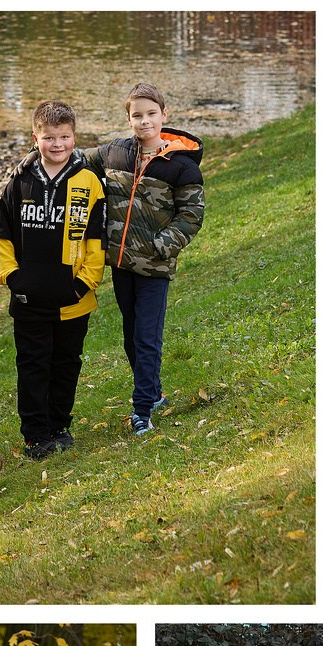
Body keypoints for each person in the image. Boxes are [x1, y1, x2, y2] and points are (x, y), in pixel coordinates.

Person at [0, 98, 108, 459]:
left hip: (74, 300)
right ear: (35, 137)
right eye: (49, 138)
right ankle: (35, 434)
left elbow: (96, 239)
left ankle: (60, 425)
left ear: (75, 137)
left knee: (66, 364)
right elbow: (2, 234)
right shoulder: (19, 181)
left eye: (64, 137)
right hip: (29, 302)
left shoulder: (89, 182)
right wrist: (12, 278)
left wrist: (83, 283)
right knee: (33, 366)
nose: (57, 145)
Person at [84, 83, 204, 434]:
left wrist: (161, 245)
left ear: (164, 116)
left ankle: (142, 412)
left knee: (146, 336)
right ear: (128, 118)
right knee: (130, 334)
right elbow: (76, 160)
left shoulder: (181, 167)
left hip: (153, 267)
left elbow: (191, 215)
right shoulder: (116, 153)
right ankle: (153, 392)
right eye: (137, 115)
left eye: (151, 114)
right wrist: (39, 153)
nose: (144, 121)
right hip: (121, 265)